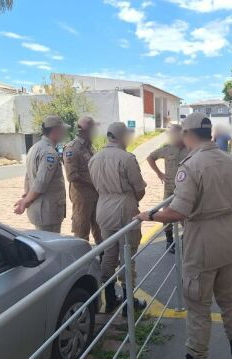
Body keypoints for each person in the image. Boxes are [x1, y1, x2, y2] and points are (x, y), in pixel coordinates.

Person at [136, 113, 232, 359]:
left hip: (203, 241)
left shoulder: (191, 166)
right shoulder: (229, 160)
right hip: (228, 235)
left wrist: (150, 215)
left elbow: (178, 213)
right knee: (230, 301)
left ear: (187, 135)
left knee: (199, 308)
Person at [89, 122, 147, 316]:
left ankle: (110, 298)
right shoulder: (127, 158)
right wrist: (131, 199)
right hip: (124, 207)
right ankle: (129, 302)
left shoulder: (94, 158)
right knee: (127, 256)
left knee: (108, 254)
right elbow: (139, 189)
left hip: (103, 206)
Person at [14, 115, 68, 233]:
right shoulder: (49, 152)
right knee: (50, 247)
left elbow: (28, 177)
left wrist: (27, 198)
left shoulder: (35, 147)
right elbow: (41, 182)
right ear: (55, 131)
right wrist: (25, 201)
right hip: (47, 211)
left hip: (40, 209)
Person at [146, 124, 189, 252]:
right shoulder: (167, 149)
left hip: (186, 188)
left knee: (185, 215)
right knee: (166, 216)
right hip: (170, 188)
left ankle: (186, 239)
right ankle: (169, 240)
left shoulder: (190, 149)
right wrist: (159, 173)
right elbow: (150, 158)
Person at [63, 116, 103, 244]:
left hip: (95, 196)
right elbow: (72, 176)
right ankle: (83, 262)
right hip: (82, 198)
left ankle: (105, 259)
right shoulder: (72, 149)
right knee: (81, 233)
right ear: (85, 131)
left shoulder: (90, 147)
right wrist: (93, 183)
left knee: (100, 229)